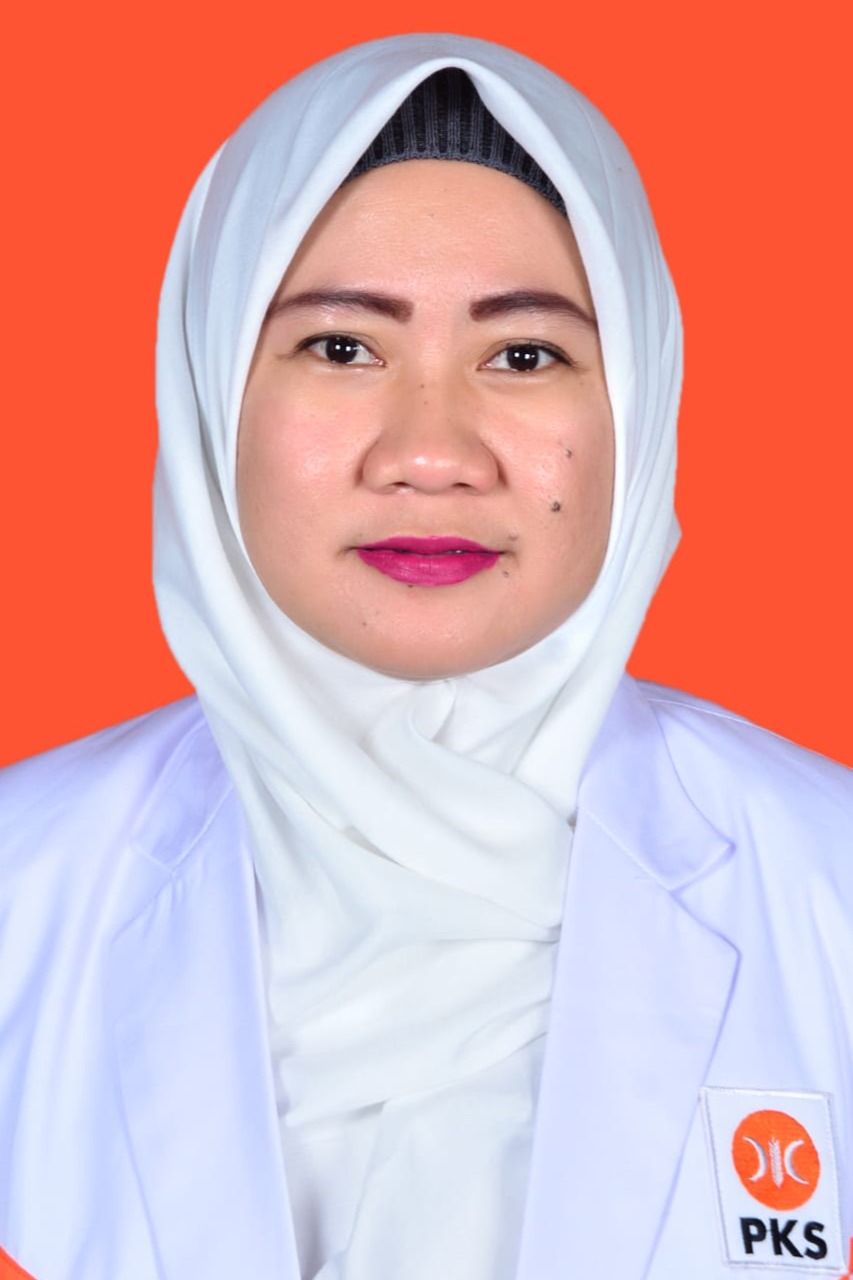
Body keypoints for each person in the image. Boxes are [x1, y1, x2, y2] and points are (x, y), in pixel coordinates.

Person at [0, 33, 851, 1280]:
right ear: (210, 387)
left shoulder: (830, 884)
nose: (431, 452)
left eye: (524, 354)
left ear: (638, 401)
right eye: (342, 346)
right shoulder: (19, 889)